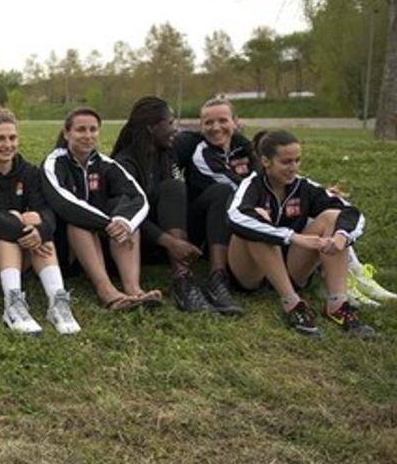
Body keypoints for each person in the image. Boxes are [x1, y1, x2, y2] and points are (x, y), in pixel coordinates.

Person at [227, 129, 375, 338]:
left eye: (297, 160)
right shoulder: (250, 184)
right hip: (251, 273)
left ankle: (337, 305)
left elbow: (351, 212)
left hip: (291, 268)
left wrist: (342, 236)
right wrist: (293, 237)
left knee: (334, 217)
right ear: (266, 161)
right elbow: (236, 217)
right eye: (286, 162)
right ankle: (293, 305)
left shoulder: (304, 186)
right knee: (257, 217)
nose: (294, 167)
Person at [0, 106, 80, 335]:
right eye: (0, 139)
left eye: (12, 138)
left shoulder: (29, 171)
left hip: (20, 253)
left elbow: (46, 211)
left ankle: (58, 302)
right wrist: (26, 230)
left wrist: (41, 231)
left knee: (35, 217)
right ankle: (13, 306)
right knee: (14, 218)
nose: (8, 144)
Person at [41, 108, 161, 310]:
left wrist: (124, 222)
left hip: (102, 243)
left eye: (93, 130)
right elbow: (63, 202)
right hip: (64, 246)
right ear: (67, 133)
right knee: (78, 222)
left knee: (126, 220)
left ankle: (133, 289)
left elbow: (137, 197)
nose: (88, 136)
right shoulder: (54, 163)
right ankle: (106, 291)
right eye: (81, 130)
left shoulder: (106, 164)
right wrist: (107, 224)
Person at [111, 97, 217, 313]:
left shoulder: (170, 148)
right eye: (170, 123)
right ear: (152, 127)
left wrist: (246, 146)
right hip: (144, 241)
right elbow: (127, 217)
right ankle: (183, 280)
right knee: (173, 187)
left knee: (220, 192)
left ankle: (219, 277)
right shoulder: (125, 164)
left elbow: (213, 135)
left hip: (177, 234)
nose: (174, 129)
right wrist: (170, 242)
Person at [172, 97, 252, 314]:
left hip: (231, 222)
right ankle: (217, 277)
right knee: (224, 192)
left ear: (235, 122)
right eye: (208, 123)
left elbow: (265, 177)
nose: (216, 128)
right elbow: (243, 190)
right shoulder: (202, 153)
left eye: (223, 121)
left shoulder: (243, 147)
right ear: (201, 126)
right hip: (199, 225)